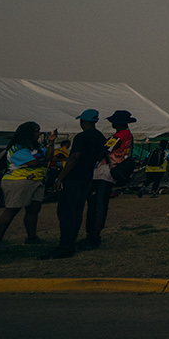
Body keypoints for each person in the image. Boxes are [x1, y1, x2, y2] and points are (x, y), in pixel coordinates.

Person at [42, 109, 105, 260]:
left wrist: (59, 178)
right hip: (87, 178)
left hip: (73, 178)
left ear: (83, 121)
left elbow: (74, 158)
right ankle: (70, 242)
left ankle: (65, 246)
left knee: (66, 212)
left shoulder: (81, 137)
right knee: (77, 212)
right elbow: (101, 155)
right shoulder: (100, 137)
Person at [0, 122, 47, 247]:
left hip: (36, 179)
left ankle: (32, 238)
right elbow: (32, 163)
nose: (39, 133)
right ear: (29, 133)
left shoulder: (37, 146)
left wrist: (51, 144)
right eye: (37, 131)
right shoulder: (17, 147)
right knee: (12, 210)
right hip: (18, 181)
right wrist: (43, 162)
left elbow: (47, 157)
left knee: (33, 209)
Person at [86, 109, 135, 247]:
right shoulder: (128, 135)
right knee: (99, 204)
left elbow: (105, 150)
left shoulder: (119, 135)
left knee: (97, 205)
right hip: (110, 172)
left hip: (105, 172)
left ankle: (94, 236)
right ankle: (93, 234)